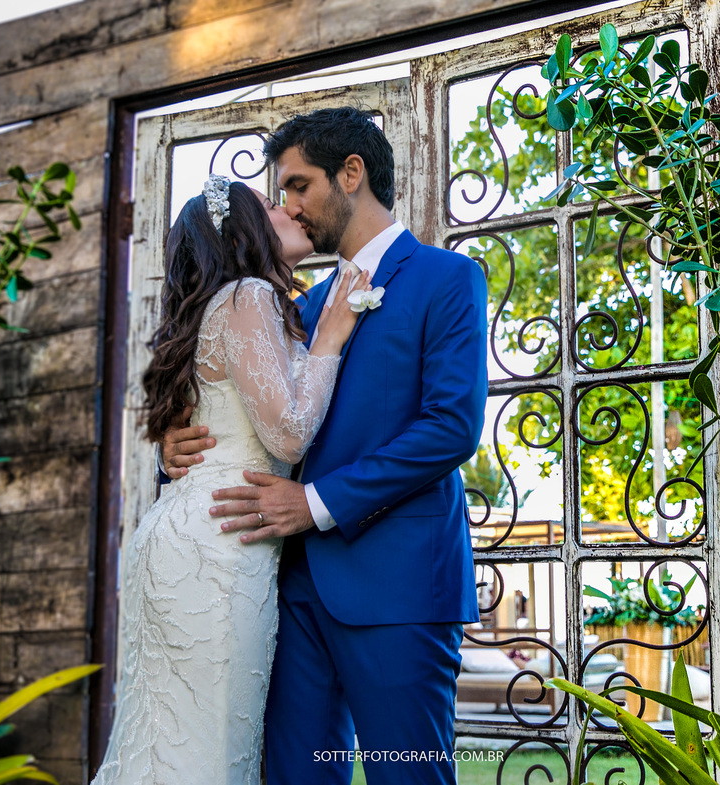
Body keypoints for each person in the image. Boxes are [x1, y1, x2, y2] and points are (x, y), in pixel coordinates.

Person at [161, 107, 489, 784]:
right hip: (286, 597)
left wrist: (314, 502)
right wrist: (177, 442)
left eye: (298, 186)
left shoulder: (446, 279)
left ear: (351, 174)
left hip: (399, 591)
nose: (289, 206)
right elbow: (247, 406)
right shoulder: (293, 307)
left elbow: (451, 426)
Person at [93, 176, 369, 784]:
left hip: (193, 534)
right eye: (271, 204)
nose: (287, 208)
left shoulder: (230, 305)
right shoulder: (247, 297)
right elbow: (290, 434)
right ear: (245, 228)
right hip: (219, 545)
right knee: (210, 747)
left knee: (170, 741)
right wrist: (329, 338)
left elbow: (219, 421)